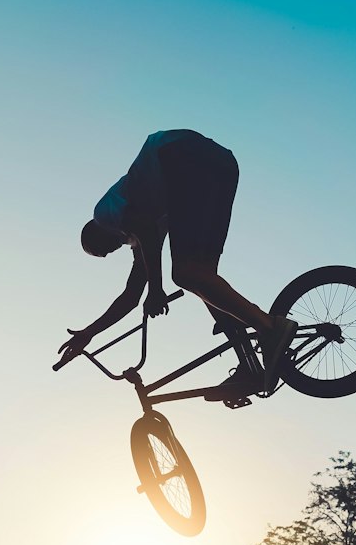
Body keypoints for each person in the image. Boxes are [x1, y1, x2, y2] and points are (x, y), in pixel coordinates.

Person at [57, 129, 298, 399]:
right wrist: (90, 333)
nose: (114, 250)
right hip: (221, 167)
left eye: (104, 250)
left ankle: (270, 327)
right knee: (204, 281)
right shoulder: (143, 221)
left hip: (181, 158)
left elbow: (145, 233)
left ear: (99, 233)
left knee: (184, 274)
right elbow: (130, 296)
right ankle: (249, 363)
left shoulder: (105, 214)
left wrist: (156, 290)